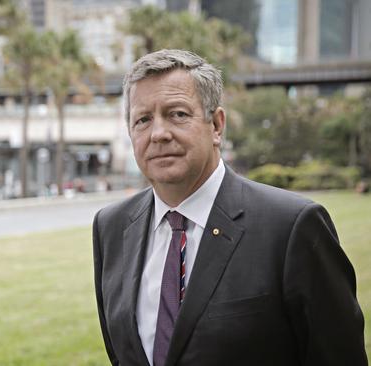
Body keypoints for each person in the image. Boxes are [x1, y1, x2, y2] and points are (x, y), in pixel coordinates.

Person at [92, 49, 367, 366]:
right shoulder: (110, 227)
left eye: (178, 114)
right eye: (143, 120)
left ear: (217, 125)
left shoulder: (292, 227)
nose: (159, 133)